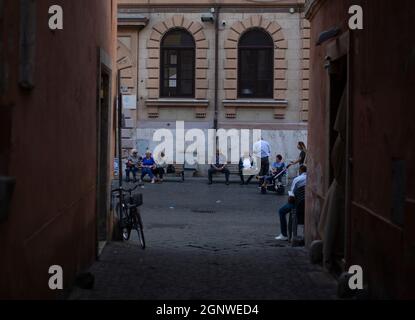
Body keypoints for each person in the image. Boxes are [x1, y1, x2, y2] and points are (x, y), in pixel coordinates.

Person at [275, 165, 307, 241]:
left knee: (281, 211)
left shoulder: (297, 179)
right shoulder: (311, 178)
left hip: (298, 203)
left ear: (300, 170)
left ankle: (284, 234)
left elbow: (292, 194)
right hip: (306, 202)